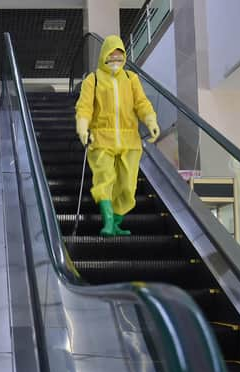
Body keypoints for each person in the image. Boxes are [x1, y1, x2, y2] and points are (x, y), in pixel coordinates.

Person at [75, 35, 160, 236]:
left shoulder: (131, 79)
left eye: (118, 57)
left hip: (130, 140)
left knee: (127, 187)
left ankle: (116, 223)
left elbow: (141, 103)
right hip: (101, 139)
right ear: (103, 55)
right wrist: (82, 127)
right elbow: (85, 106)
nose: (114, 61)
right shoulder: (93, 79)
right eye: (110, 56)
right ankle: (108, 221)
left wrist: (151, 121)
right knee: (104, 178)